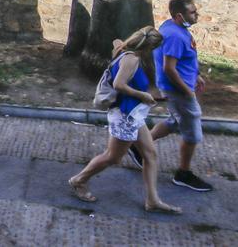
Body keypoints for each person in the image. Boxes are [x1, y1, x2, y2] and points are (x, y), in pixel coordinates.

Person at [68, 26, 181, 214]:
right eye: (154, 49)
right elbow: (118, 84)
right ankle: (78, 180)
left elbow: (117, 42)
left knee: (150, 155)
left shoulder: (124, 50)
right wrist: (143, 95)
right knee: (112, 157)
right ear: (148, 48)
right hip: (125, 116)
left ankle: (152, 200)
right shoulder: (132, 59)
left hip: (134, 114)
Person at [127, 0, 214, 192]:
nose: (197, 14)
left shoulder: (172, 27)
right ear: (179, 16)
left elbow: (184, 60)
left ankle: (137, 146)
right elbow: (169, 68)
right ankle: (183, 174)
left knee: (174, 121)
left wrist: (196, 75)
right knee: (192, 130)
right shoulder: (175, 36)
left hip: (179, 86)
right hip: (177, 89)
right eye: (193, 12)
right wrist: (188, 91)